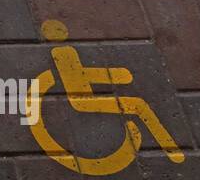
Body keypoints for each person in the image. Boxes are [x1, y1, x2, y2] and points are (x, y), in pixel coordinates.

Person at [41, 19, 184, 163]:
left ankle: (169, 147)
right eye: (59, 29)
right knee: (138, 105)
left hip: (84, 98)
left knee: (138, 105)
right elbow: (78, 77)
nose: (63, 30)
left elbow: (81, 75)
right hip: (83, 102)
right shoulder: (63, 52)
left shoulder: (64, 51)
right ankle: (170, 148)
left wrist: (117, 76)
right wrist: (116, 75)